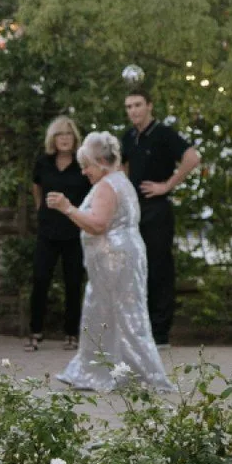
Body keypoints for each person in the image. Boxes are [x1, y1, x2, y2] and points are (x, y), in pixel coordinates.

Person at [51, 130, 170, 392]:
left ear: (101, 163)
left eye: (87, 166)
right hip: (121, 259)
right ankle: (106, 371)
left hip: (114, 262)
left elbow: (98, 225)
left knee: (118, 315)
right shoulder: (120, 181)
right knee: (112, 315)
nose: (84, 172)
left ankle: (128, 374)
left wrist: (67, 208)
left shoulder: (106, 186)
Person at [119, 87, 201, 344]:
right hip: (134, 209)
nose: (133, 110)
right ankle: (139, 328)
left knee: (159, 267)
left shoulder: (164, 133)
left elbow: (192, 157)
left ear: (149, 106)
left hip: (157, 208)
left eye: (137, 105)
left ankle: (160, 332)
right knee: (135, 266)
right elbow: (120, 166)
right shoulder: (129, 136)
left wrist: (167, 185)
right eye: (129, 106)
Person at [28, 116, 90, 352]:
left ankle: (71, 334)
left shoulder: (82, 164)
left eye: (68, 134)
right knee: (40, 279)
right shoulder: (43, 162)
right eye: (59, 134)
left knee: (73, 283)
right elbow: (37, 187)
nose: (64, 138)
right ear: (52, 139)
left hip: (74, 231)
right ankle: (35, 332)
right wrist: (41, 209)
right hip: (48, 230)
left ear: (74, 138)